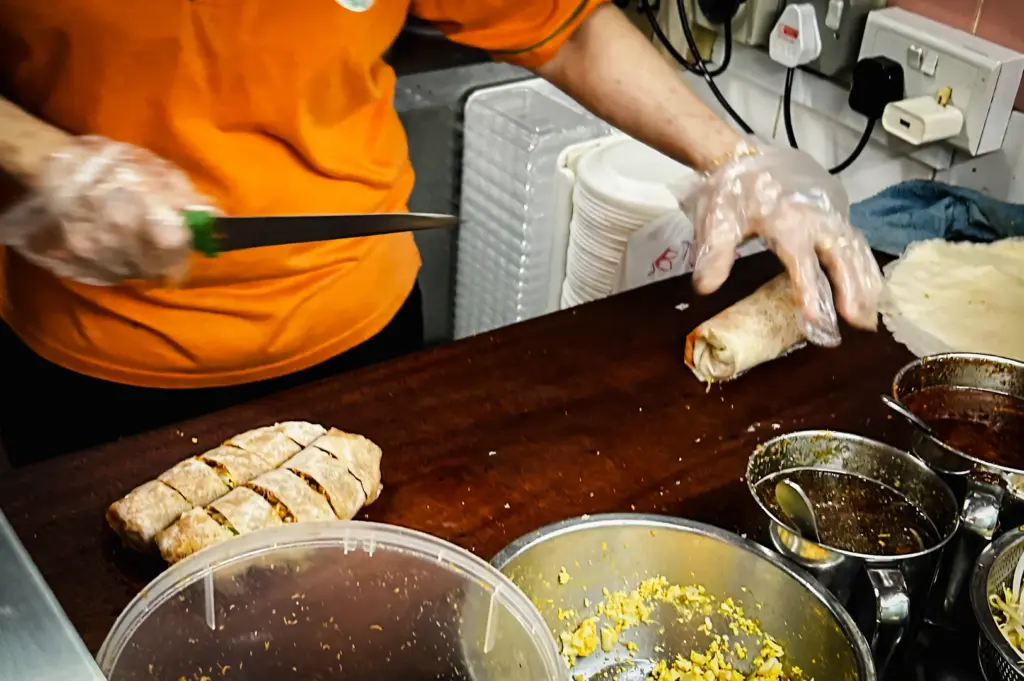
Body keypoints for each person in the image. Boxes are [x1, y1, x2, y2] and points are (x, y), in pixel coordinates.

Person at [0, 1, 882, 467]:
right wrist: (38, 157)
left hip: (365, 342)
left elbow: (561, 28)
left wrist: (734, 156)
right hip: (96, 360)